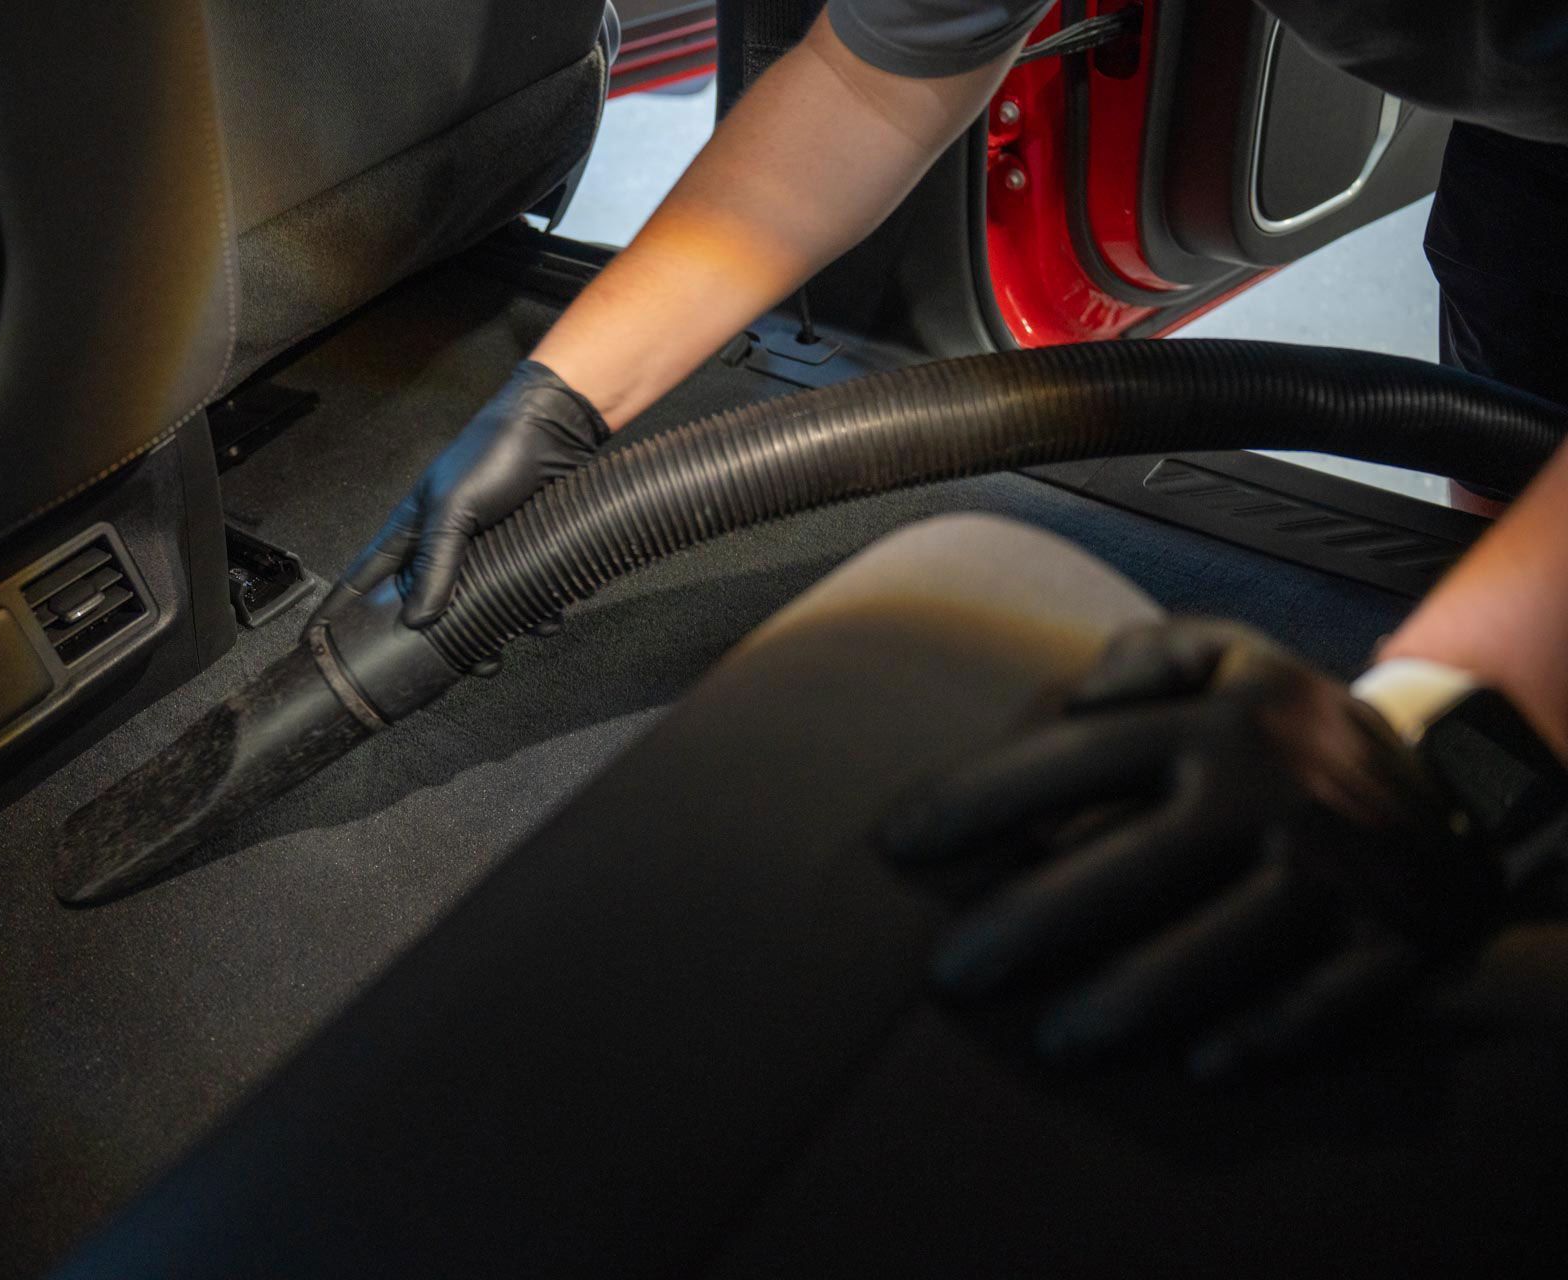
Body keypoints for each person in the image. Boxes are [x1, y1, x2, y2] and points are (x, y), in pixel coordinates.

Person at [329, 1, 1568, 1070]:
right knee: (1511, 438)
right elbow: (867, 82)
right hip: (1533, 152)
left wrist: (1424, 727)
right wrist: (561, 393)